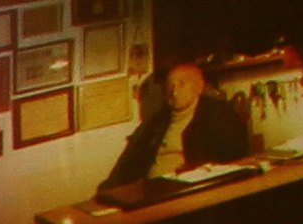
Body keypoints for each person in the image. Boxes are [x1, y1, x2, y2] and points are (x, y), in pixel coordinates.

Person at [108, 60, 258, 190]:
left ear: (199, 87)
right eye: (170, 85)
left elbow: (233, 161)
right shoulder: (157, 121)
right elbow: (129, 161)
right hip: (150, 191)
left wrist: (195, 169)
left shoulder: (218, 114)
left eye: (181, 84)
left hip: (191, 190)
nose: (174, 91)